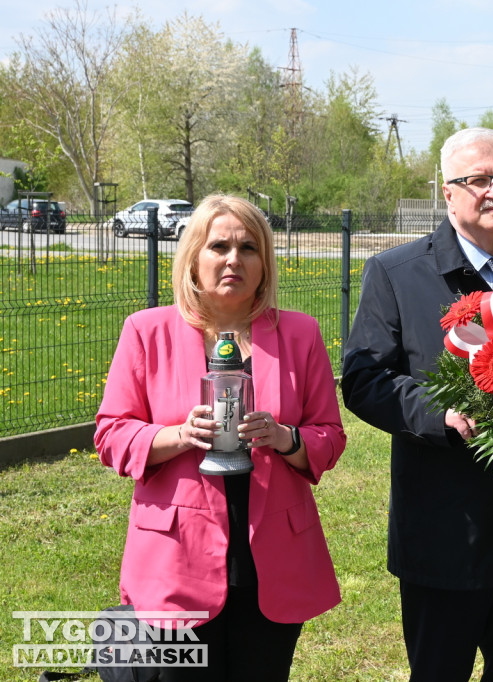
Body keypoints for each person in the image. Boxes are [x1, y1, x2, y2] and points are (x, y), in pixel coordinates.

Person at [341, 128, 493, 681]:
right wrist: (439, 414)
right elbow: (364, 378)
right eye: (478, 180)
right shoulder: (397, 273)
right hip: (445, 530)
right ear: (448, 193)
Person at [94, 194, 347, 681]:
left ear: (264, 263)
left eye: (249, 248)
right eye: (219, 246)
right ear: (193, 259)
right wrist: (179, 435)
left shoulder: (300, 334)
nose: (234, 259)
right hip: (178, 555)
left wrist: (285, 437)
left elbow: (328, 437)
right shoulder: (147, 332)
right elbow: (111, 435)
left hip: (272, 557)